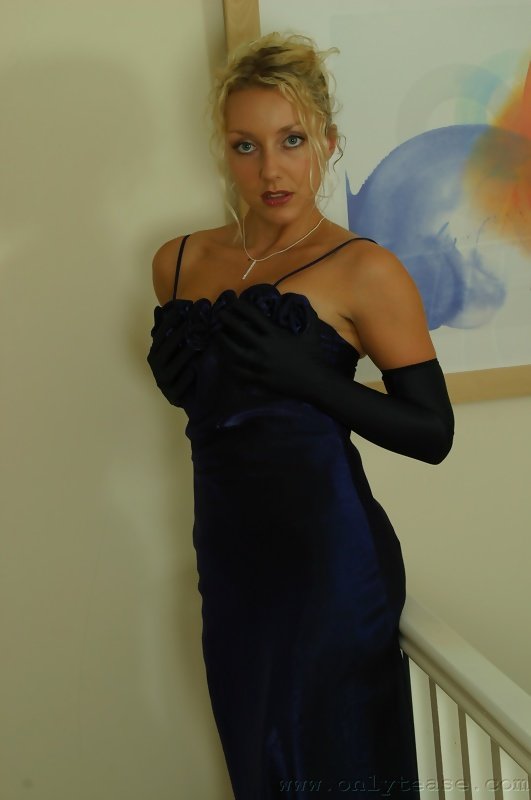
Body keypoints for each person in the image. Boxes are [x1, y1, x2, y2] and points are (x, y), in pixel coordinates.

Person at [147, 31, 454, 799]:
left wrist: (310, 380)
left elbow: (432, 433)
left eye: (291, 140)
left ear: (328, 142)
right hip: (229, 563)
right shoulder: (177, 262)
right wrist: (193, 386)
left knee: (333, 773)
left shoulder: (364, 268)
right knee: (258, 767)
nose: (271, 170)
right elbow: (227, 415)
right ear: (223, 151)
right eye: (245, 146)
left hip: (330, 566)